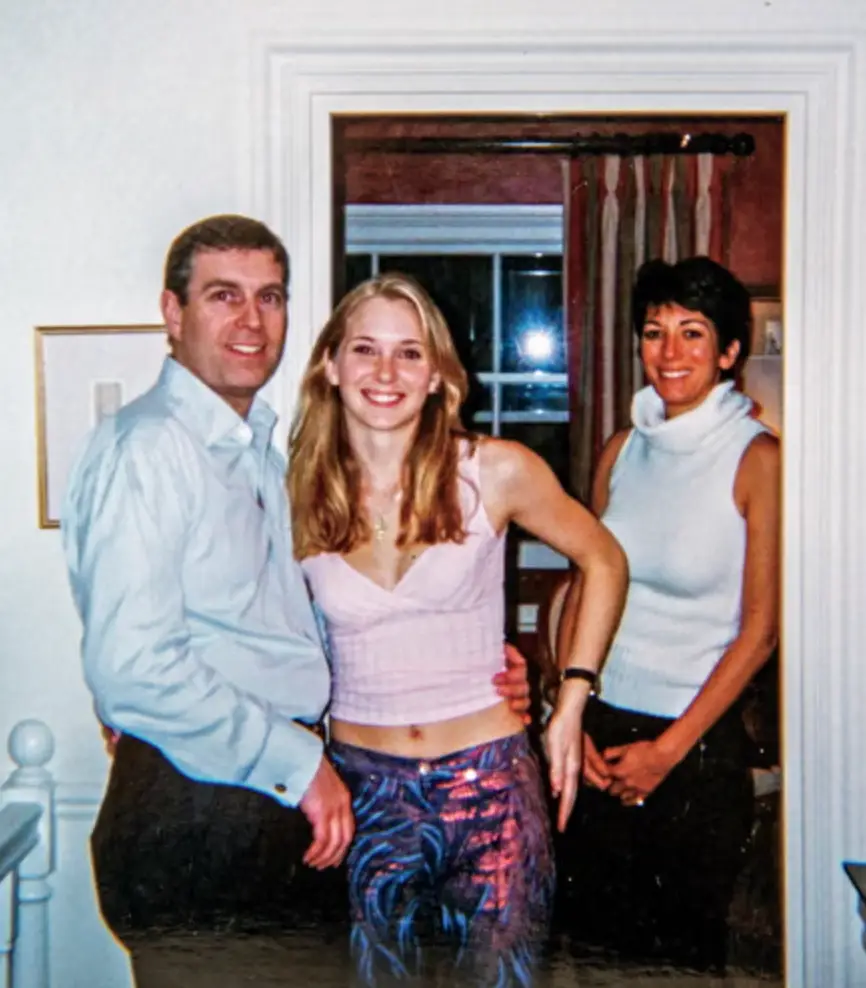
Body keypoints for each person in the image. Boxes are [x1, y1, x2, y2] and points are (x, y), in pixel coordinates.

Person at [61, 214, 532, 988]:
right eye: (223, 296)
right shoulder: (149, 448)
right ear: (172, 314)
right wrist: (297, 762)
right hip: (203, 804)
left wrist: (492, 665)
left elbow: (288, 624)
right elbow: (133, 669)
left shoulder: (258, 454)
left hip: (265, 799)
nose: (252, 320)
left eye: (270, 297)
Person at [287, 272, 628, 987]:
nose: (386, 372)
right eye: (365, 349)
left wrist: (569, 700)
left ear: (440, 375)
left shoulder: (495, 471)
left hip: (492, 788)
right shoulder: (292, 489)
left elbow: (602, 557)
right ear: (330, 364)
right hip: (362, 793)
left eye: (410, 353)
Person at [555, 256, 781, 973]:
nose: (671, 353)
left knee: (678, 963)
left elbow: (761, 629)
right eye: (655, 332)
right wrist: (570, 710)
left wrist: (669, 751)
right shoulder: (622, 449)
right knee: (590, 956)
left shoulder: (758, 459)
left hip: (696, 749)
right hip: (599, 736)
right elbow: (585, 585)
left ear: (730, 352)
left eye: (693, 333)